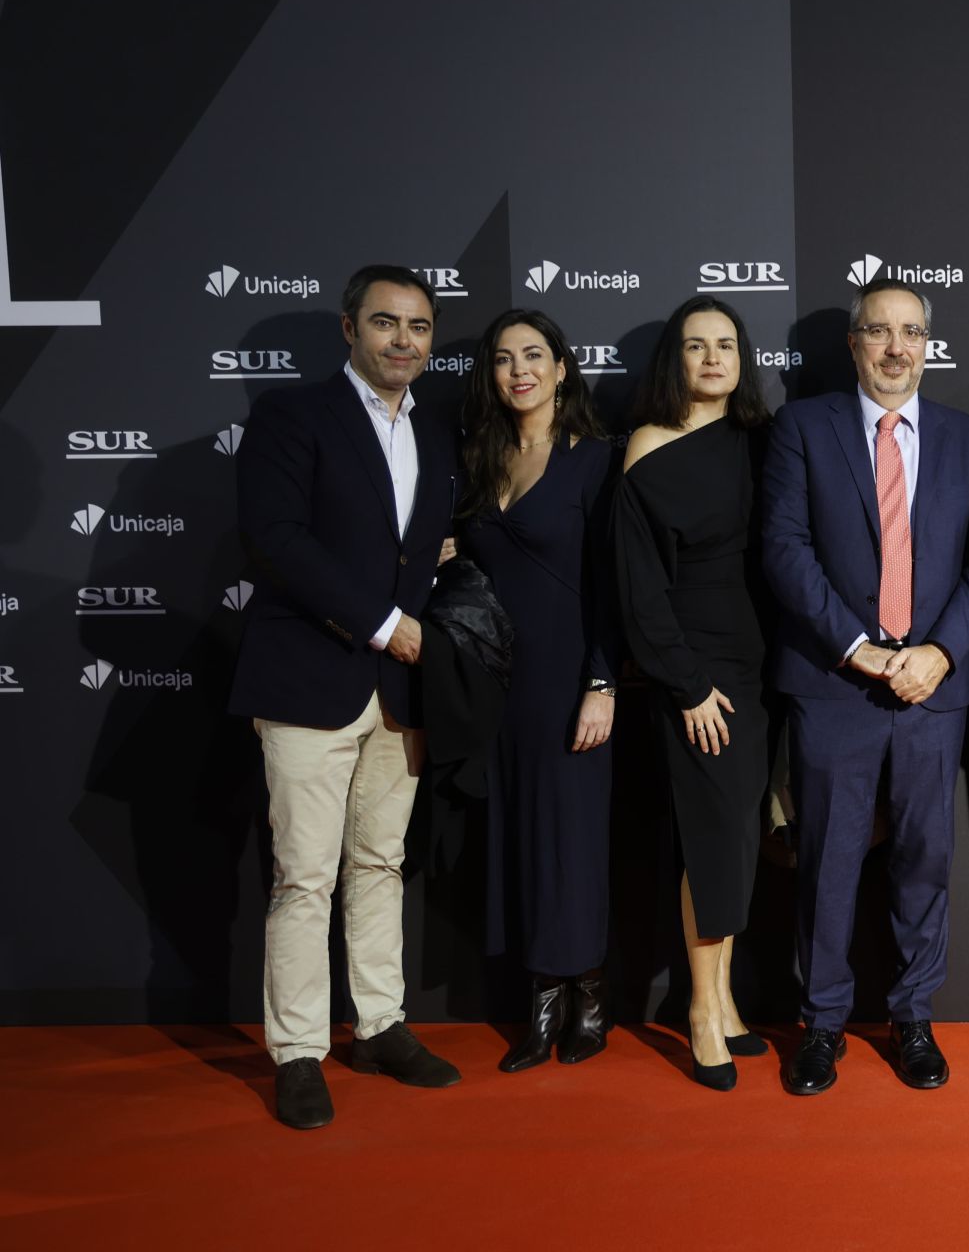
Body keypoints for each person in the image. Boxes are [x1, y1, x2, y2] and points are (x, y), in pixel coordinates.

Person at [229, 264, 462, 1129]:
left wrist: (424, 574)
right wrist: (382, 622)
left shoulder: (436, 431)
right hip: (310, 679)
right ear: (349, 329)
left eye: (419, 327)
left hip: (400, 692)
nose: (404, 341)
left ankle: (382, 1025)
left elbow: (420, 543)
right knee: (304, 877)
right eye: (386, 324)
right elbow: (276, 539)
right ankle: (296, 1052)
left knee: (380, 865)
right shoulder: (294, 417)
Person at [761, 278, 969, 1095]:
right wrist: (859, 649)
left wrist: (941, 654)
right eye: (879, 332)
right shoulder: (802, 427)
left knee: (925, 859)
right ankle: (821, 1025)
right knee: (826, 861)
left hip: (934, 690)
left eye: (912, 332)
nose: (897, 347)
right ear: (854, 343)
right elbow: (785, 549)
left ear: (928, 342)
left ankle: (914, 1017)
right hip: (835, 684)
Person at [613, 295, 774, 1091]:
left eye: (726, 345)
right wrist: (686, 686)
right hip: (699, 678)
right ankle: (702, 1013)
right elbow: (639, 592)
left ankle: (726, 998)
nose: (712, 358)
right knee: (713, 842)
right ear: (672, 359)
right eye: (695, 345)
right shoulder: (647, 447)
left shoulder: (761, 442)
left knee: (740, 839)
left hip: (759, 672)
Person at [458, 308, 618, 1073]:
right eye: (502, 358)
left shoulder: (596, 460)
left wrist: (602, 680)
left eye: (533, 355)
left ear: (561, 367)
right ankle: (538, 1003)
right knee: (519, 841)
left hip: (572, 679)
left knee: (572, 844)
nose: (518, 369)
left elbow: (615, 586)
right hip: (499, 686)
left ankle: (586, 997)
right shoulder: (479, 461)